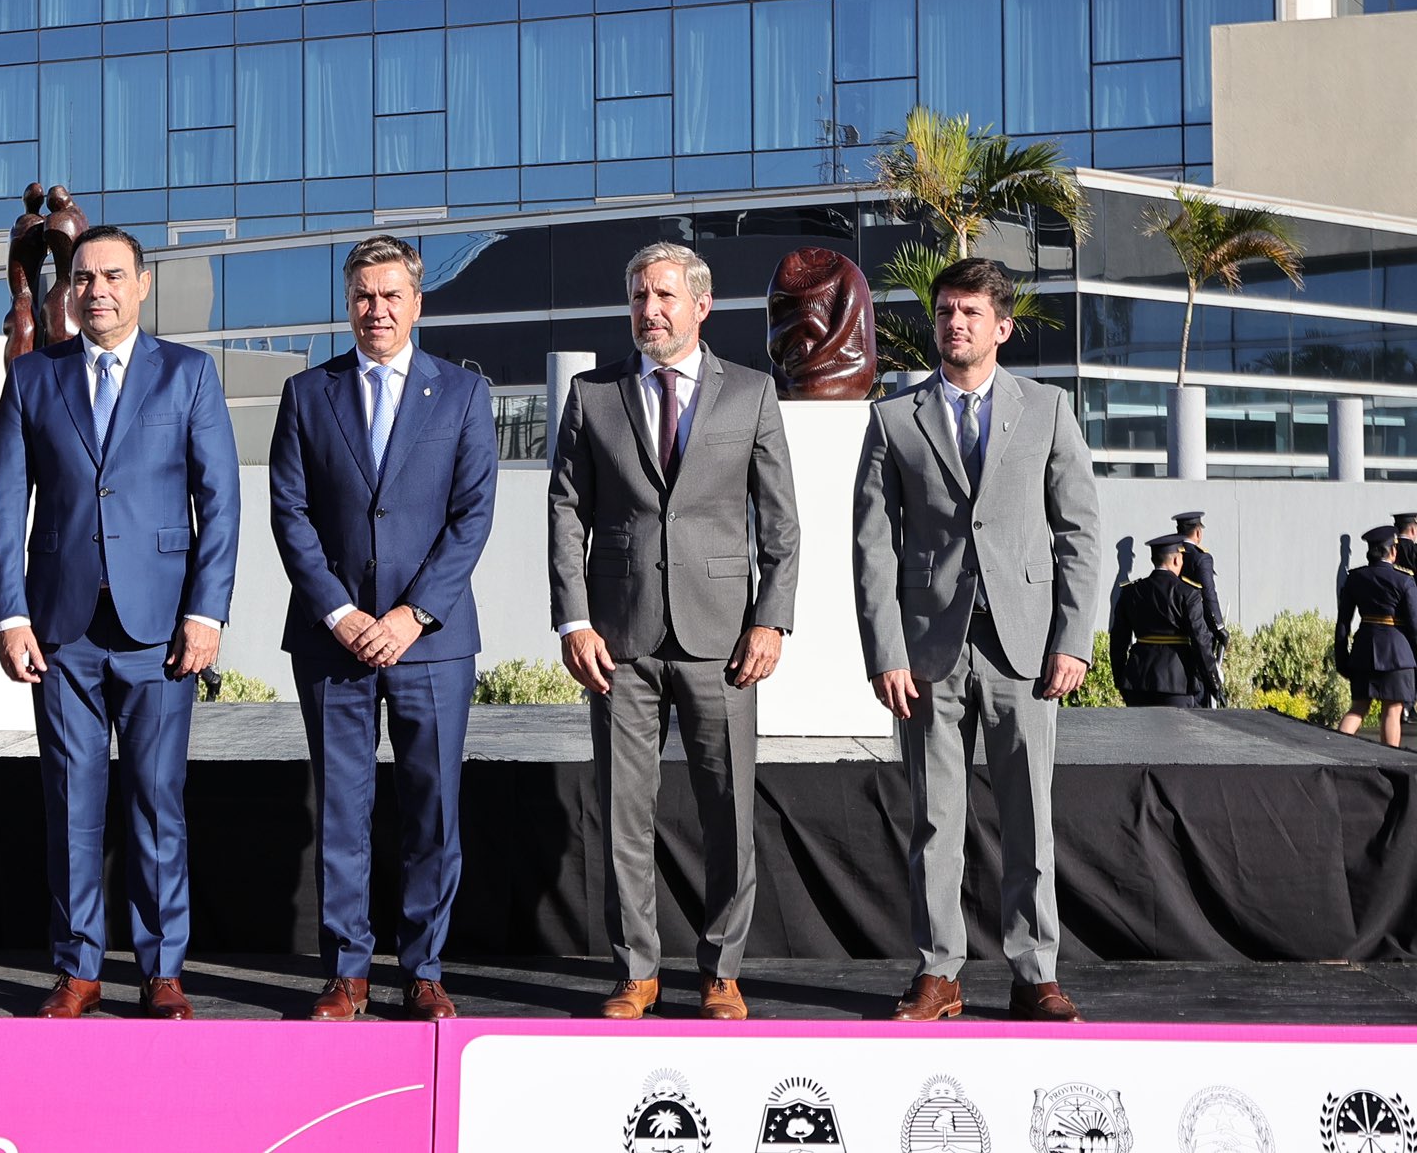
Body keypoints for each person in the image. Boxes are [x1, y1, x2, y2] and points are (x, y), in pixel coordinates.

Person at [0, 224, 240, 1021]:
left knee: (158, 800)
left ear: (142, 285)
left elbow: (220, 503)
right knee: (71, 802)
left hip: (161, 630)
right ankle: (79, 969)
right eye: (84, 277)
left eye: (113, 276)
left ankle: (163, 970)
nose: (97, 290)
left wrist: (205, 612)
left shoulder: (188, 374)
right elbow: (4, 504)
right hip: (60, 631)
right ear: (68, 289)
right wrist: (10, 615)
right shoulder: (34, 376)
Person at [548, 241, 800, 1022]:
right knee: (624, 814)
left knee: (728, 813)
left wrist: (771, 619)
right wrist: (574, 619)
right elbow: (566, 512)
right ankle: (637, 972)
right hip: (617, 643)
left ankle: (721, 972)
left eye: (663, 296)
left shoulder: (751, 393)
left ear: (701, 303)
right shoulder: (592, 395)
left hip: (723, 642)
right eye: (638, 297)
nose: (648, 310)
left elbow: (780, 523)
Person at [851, 256, 1101, 1024]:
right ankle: (939, 972)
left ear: (1002, 328)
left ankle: (1035, 974)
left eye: (969, 312)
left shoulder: (1048, 410)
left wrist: (1073, 639)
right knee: (936, 819)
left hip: (1025, 649)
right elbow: (872, 546)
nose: (954, 323)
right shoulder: (894, 418)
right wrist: (886, 652)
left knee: (1029, 817)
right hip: (929, 649)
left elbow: (1079, 531)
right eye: (945, 311)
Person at [269, 235, 499, 1022]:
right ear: (347, 303)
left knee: (432, 810)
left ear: (417, 301)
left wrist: (410, 614)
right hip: (331, 640)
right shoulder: (308, 393)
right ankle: (348, 973)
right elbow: (291, 513)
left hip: (432, 640)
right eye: (364, 295)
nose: (377, 309)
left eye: (392, 294)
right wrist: (340, 612)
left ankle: (423, 969)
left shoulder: (463, 394)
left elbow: (472, 516)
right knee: (342, 808)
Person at [1109, 535, 1222, 708]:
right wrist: (1214, 683)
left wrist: (1121, 679)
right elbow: (1201, 640)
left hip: (1138, 679)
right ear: (1176, 559)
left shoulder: (1131, 592)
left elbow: (1118, 640)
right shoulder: (1188, 593)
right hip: (1177, 680)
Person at [1335, 524, 1417, 750]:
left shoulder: (1355, 578)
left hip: (1364, 651)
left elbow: (1343, 623)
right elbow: (1414, 625)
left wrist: (1341, 658)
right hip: (1398, 655)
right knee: (1392, 709)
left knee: (1358, 707)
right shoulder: (1404, 580)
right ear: (1393, 551)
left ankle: (1333, 753)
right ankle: (1390, 762)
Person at [1171, 510, 1227, 706]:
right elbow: (1209, 594)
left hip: (1174, 628)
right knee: (1201, 680)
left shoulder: (1171, 554)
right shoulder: (1201, 558)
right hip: (1199, 626)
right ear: (1198, 532)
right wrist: (1219, 626)